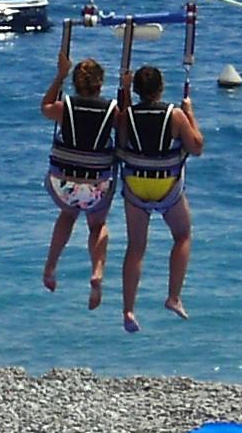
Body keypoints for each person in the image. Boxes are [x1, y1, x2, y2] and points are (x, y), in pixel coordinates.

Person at [110, 62, 204, 331]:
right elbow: (196, 147)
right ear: (161, 89)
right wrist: (190, 114)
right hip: (166, 187)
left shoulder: (126, 115)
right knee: (183, 235)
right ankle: (173, 297)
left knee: (136, 247)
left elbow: (122, 140)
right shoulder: (175, 116)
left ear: (138, 90)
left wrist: (124, 93)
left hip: (137, 186)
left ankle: (128, 310)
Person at [39, 55, 116, 302]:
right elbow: (125, 128)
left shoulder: (65, 108)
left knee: (68, 214)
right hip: (96, 187)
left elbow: (45, 108)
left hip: (62, 184)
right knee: (97, 225)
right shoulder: (112, 111)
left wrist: (60, 74)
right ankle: (97, 272)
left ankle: (51, 265)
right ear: (100, 84)